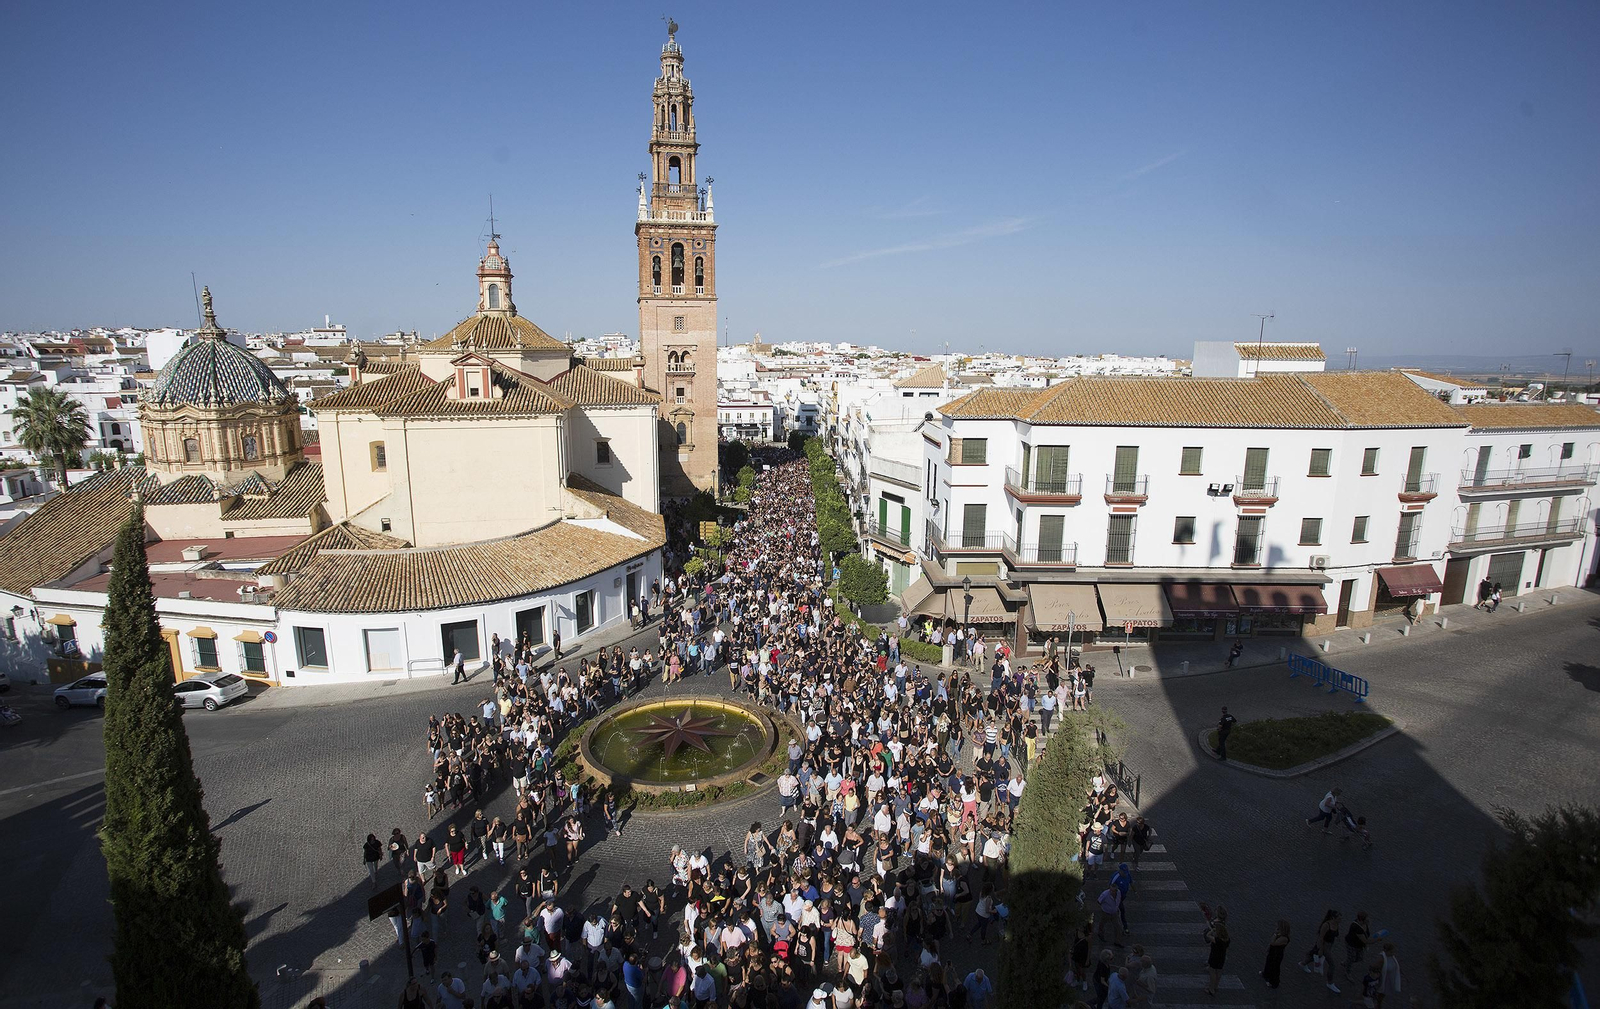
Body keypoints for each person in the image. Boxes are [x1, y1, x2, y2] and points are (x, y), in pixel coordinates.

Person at [1203, 905, 1230, 997]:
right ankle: (1216, 986)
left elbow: (1208, 935)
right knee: (1219, 971)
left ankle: (1211, 989)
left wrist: (1212, 930)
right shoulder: (1226, 939)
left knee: (1212, 971)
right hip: (1222, 956)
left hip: (1215, 955)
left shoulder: (1217, 940)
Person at [1343, 910, 1373, 980]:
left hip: (1359, 945)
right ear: (1362, 919)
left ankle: (1346, 962)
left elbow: (1366, 935)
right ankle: (1347, 972)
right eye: (1366, 918)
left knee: (1359, 958)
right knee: (1352, 958)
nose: (1368, 919)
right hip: (1351, 944)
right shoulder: (1356, 927)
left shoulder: (1365, 924)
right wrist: (1377, 940)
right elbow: (1365, 941)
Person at [1260, 919, 1290, 989]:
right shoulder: (1280, 935)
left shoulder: (1284, 938)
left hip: (1277, 955)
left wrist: (1275, 934)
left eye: (1278, 928)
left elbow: (1273, 943)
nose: (1276, 929)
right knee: (1268, 963)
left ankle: (1274, 982)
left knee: (1275, 967)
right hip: (1273, 952)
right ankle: (1266, 974)